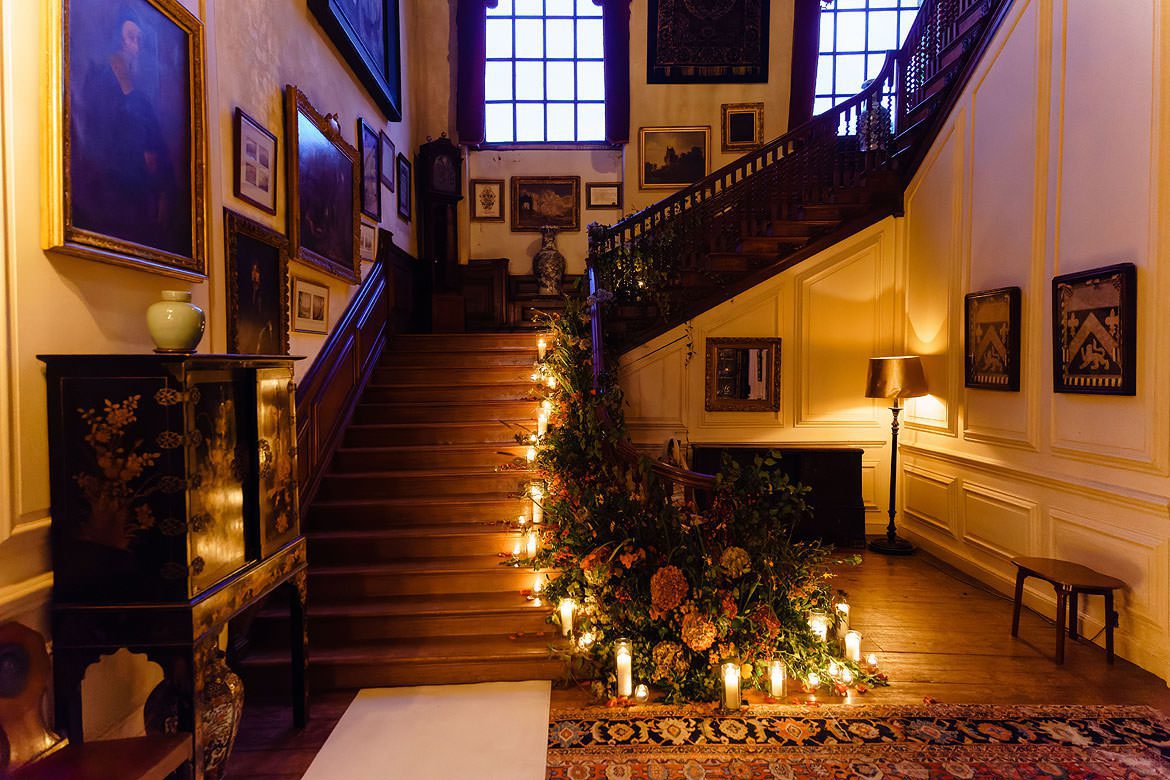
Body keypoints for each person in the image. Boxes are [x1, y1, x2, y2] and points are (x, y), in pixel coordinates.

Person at [72, 9, 189, 256]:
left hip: (140, 191)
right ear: (117, 38)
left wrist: (158, 179)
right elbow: (95, 136)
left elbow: (155, 144)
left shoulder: (142, 98)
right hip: (110, 188)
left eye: (138, 39)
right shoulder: (99, 80)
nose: (135, 45)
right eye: (130, 37)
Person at [857, 78, 893, 153]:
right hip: (867, 147)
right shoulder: (865, 112)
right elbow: (862, 131)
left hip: (880, 147)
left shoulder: (883, 111)